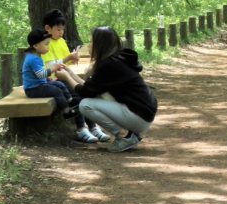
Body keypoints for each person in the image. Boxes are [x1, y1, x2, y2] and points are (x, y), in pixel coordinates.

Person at [69, 26, 159, 153]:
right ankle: (129, 134)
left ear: (100, 45)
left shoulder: (109, 65)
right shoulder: (118, 59)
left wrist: (66, 78)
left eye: (91, 42)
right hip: (143, 113)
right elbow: (91, 88)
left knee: (85, 105)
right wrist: (70, 73)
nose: (88, 46)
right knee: (98, 96)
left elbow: (85, 93)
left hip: (138, 116)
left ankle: (125, 135)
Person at [43, 9, 111, 142]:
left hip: (65, 75)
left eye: (63, 29)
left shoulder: (61, 41)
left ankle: (93, 126)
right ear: (47, 28)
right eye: (58, 29)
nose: (61, 32)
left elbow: (65, 59)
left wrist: (73, 58)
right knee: (76, 97)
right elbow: (49, 65)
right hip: (53, 79)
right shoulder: (45, 43)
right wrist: (67, 58)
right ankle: (81, 128)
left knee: (83, 93)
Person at [22, 29, 99, 143]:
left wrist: (48, 78)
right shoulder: (33, 59)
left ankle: (70, 101)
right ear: (35, 45)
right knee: (56, 90)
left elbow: (40, 74)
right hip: (33, 89)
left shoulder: (36, 56)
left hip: (40, 84)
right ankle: (67, 110)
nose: (48, 47)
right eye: (46, 44)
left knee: (58, 84)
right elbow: (40, 74)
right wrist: (53, 69)